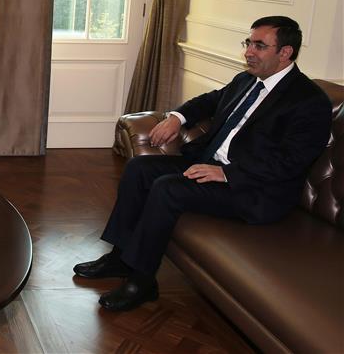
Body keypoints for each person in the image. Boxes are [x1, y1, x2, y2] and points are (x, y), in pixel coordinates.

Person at [74, 16, 332, 311]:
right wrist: (176, 117)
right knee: (139, 168)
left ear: (285, 52)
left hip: (254, 189)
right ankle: (120, 256)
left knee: (167, 188)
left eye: (259, 46)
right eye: (248, 43)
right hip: (208, 165)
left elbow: (291, 161)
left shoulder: (309, 101)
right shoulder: (247, 80)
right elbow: (210, 101)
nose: (248, 52)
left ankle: (142, 281)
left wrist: (227, 173)